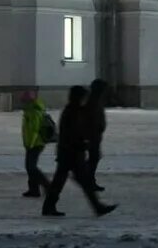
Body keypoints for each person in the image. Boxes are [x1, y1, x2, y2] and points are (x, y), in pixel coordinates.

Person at [41, 85, 116, 218]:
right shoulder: (73, 112)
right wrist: (82, 143)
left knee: (61, 181)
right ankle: (97, 207)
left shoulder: (73, 110)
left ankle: (49, 206)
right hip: (72, 153)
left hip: (69, 152)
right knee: (78, 181)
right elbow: (72, 133)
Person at [18, 91, 52, 197]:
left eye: (23, 101)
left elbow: (34, 130)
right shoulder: (31, 110)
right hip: (34, 143)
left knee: (31, 167)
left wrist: (30, 144)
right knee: (30, 167)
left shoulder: (33, 111)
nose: (22, 103)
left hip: (35, 143)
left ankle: (47, 186)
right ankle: (34, 189)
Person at [83, 78, 109, 191]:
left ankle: (89, 180)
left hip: (95, 135)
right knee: (94, 158)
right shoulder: (93, 101)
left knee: (94, 158)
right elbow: (91, 119)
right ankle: (88, 180)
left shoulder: (95, 100)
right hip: (92, 135)